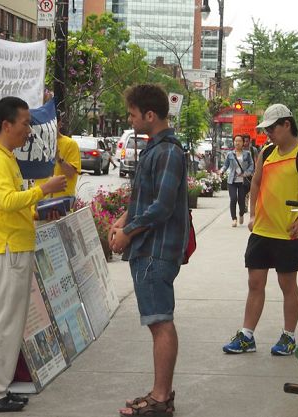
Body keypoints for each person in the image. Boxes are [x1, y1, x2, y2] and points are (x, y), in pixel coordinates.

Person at [0, 97, 66, 412]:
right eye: (25, 123)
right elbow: (7, 200)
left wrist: (39, 211)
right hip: (6, 250)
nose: (29, 129)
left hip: (15, 247)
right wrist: (44, 189)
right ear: (6, 125)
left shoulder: (6, 157)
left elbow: (14, 206)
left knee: (11, 324)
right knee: (1, 323)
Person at [222, 104, 298, 356]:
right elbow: (257, 182)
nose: (269, 133)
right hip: (261, 231)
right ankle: (247, 336)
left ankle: (289, 336)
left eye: (272, 128)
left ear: (286, 124)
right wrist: (251, 214)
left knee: (287, 285)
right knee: (255, 283)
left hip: (287, 233)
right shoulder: (267, 151)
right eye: (266, 129)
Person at [109, 84, 188, 417]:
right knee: (158, 322)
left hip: (156, 251)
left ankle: (159, 399)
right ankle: (160, 394)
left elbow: (162, 207)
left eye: (133, 114)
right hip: (148, 250)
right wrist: (122, 220)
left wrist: (127, 231)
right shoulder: (155, 149)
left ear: (150, 115)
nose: (130, 119)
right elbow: (142, 197)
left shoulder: (168, 151)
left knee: (160, 323)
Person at [35, 112, 81, 199]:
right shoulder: (38, 143)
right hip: (40, 198)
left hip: (62, 199)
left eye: (51, 123)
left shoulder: (70, 144)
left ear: (59, 124)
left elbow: (71, 173)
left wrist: (58, 157)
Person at [220, 135, 254, 227]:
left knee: (241, 200)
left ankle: (241, 214)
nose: (237, 143)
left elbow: (251, 165)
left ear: (243, 143)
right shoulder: (230, 154)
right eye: (235, 141)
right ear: (233, 142)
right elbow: (225, 165)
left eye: (239, 141)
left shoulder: (247, 154)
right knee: (233, 199)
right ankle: (234, 219)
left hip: (243, 181)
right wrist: (222, 170)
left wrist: (246, 173)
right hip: (232, 181)